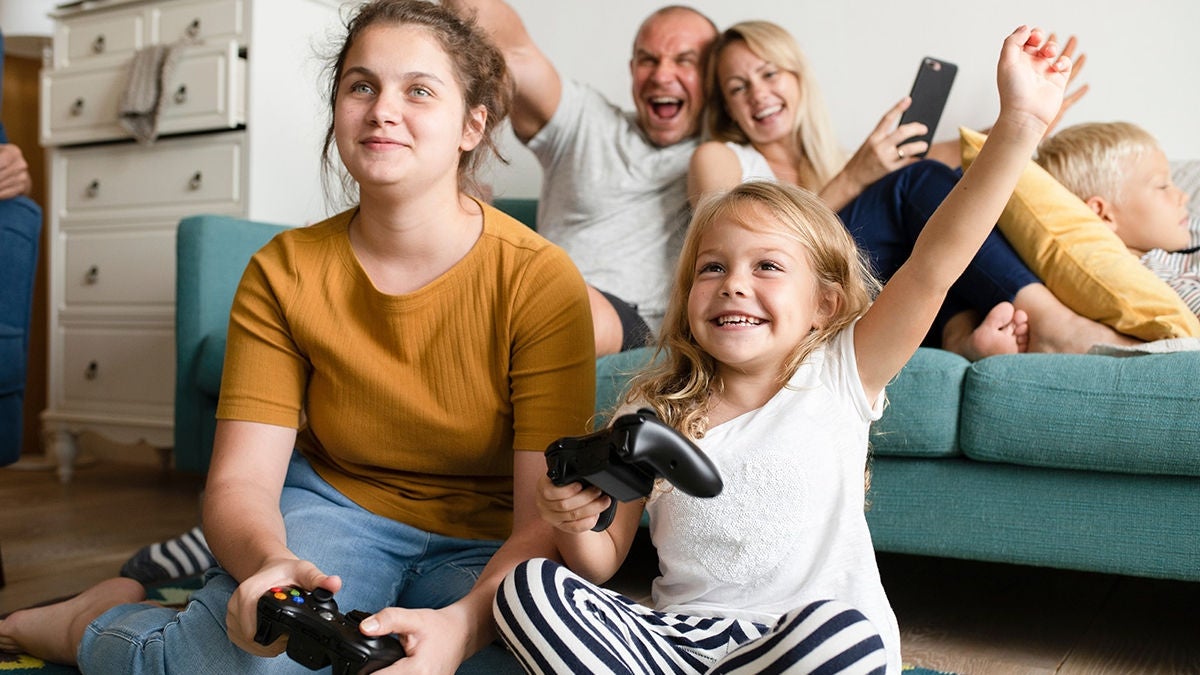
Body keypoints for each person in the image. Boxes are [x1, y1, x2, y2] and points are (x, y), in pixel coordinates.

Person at [0, 2, 595, 673]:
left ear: (472, 125)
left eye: (419, 91)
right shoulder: (282, 271)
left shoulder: (541, 280)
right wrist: (270, 563)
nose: (382, 111)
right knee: (234, 664)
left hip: (491, 544)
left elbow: (541, 521)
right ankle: (87, 620)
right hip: (336, 513)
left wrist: (461, 628)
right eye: (361, 86)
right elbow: (240, 483)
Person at [492, 25, 1074, 675]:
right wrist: (571, 517)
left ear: (824, 302)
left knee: (847, 634)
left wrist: (1020, 123)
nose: (733, 283)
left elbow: (936, 262)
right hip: (682, 642)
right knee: (528, 588)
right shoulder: (650, 414)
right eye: (712, 268)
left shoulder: (842, 373)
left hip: (801, 640)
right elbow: (603, 561)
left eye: (766, 266)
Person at [687, 20, 1138, 360]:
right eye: (738, 88)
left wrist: (1024, 120)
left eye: (769, 75)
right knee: (913, 183)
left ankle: (960, 337)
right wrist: (854, 177)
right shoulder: (718, 155)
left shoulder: (835, 158)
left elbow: (959, 154)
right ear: (727, 107)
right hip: (784, 299)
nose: (758, 94)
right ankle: (1054, 325)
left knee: (936, 198)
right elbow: (736, 236)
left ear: (797, 79)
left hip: (860, 294)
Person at [444, 0, 719, 356]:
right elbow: (509, 47)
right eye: (648, 60)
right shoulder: (586, 120)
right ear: (632, 69)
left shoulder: (724, 158)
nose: (662, 75)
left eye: (685, 61)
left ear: (714, 76)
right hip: (534, 291)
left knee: (555, 300)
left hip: (628, 322)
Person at [1035, 121, 1197, 314]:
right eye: (1162, 186)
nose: (1184, 196)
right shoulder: (1148, 278)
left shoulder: (1181, 229)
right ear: (1103, 215)